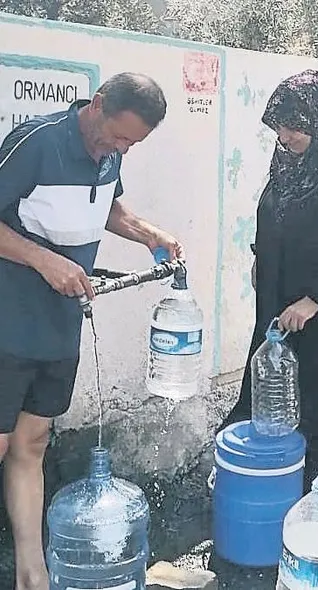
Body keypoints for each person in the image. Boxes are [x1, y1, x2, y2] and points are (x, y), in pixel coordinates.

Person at [0, 72, 184, 590]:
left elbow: (105, 207)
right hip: (9, 321)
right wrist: (44, 260)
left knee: (33, 442)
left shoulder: (110, 153)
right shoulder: (38, 142)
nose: (121, 149)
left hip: (60, 326)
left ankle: (32, 573)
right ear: (97, 104)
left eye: (132, 144)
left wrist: (149, 234)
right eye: (118, 136)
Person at [223, 69, 318, 486]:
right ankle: (266, 466)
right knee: (271, 377)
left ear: (317, 118)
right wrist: (261, 258)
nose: (284, 136)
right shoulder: (289, 156)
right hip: (279, 292)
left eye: (293, 126)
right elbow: (277, 210)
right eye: (279, 127)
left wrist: (314, 300)